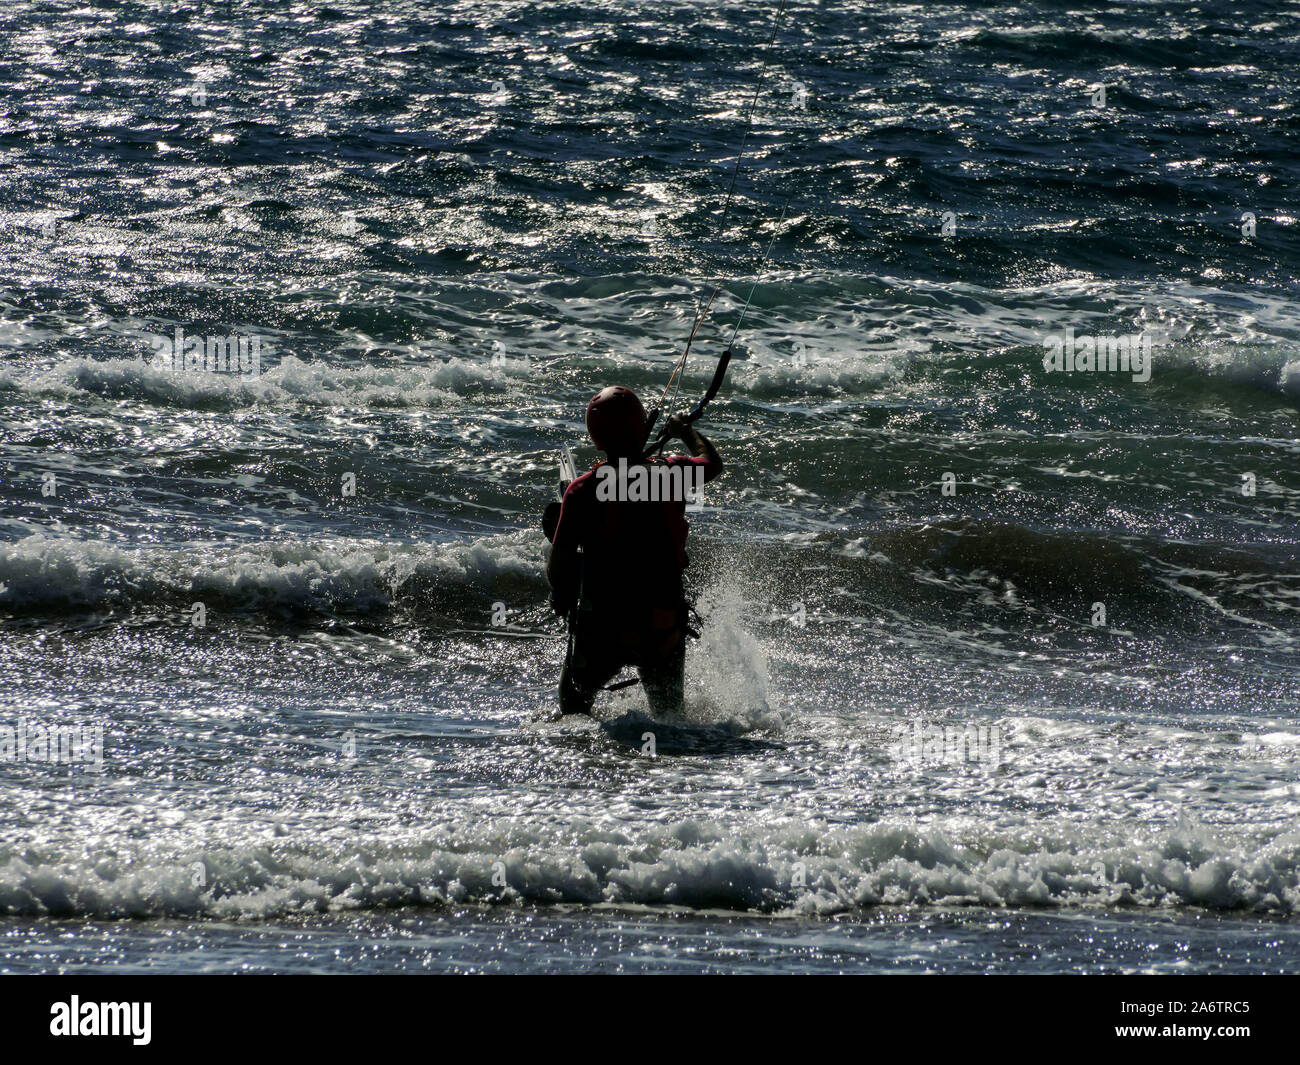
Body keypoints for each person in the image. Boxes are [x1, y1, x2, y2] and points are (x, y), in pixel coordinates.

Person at [547, 385, 724, 716]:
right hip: (660, 626)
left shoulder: (581, 490)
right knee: (670, 719)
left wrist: (565, 598)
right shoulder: (671, 474)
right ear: (640, 426)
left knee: (572, 710)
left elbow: (558, 572)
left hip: (602, 628)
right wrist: (685, 430)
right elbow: (712, 463)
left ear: (596, 437)